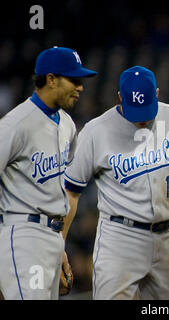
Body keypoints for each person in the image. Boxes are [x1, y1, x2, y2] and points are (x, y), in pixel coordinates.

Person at [63, 65, 169, 300]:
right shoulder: (96, 131)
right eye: (134, 111)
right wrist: (60, 244)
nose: (140, 120)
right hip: (119, 238)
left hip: (166, 236)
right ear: (119, 98)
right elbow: (71, 191)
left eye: (146, 110)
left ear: (157, 94)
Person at [0, 46, 97, 299]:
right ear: (51, 79)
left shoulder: (67, 125)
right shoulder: (15, 125)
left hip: (52, 235)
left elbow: (63, 192)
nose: (80, 87)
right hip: (22, 234)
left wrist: (59, 245)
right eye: (73, 79)